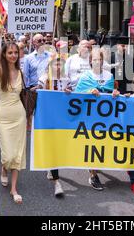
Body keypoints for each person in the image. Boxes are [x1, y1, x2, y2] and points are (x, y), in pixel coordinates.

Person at [75, 48, 120, 191]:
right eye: (94, 59)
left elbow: (111, 93)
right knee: (92, 144)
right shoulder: (85, 77)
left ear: (102, 61)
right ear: (90, 61)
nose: (97, 61)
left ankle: (94, 166)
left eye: (99, 59)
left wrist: (114, 92)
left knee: (103, 144)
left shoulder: (109, 76)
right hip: (90, 117)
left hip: (106, 116)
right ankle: (93, 174)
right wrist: (89, 92)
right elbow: (77, 95)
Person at [0, 25, 27, 204]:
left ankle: (14, 189)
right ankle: (3, 169)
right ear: (5, 55)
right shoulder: (0, 71)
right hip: (4, 117)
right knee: (7, 155)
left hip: (19, 116)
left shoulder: (20, 72)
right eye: (10, 53)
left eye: (15, 52)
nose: (13, 55)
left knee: (18, 153)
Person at [36, 56, 71, 197]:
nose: (58, 67)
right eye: (55, 65)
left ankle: (51, 166)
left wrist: (69, 92)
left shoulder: (66, 80)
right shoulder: (45, 78)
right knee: (54, 147)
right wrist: (38, 88)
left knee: (60, 147)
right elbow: (38, 88)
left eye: (60, 65)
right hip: (48, 119)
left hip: (62, 119)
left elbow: (72, 96)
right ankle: (57, 182)